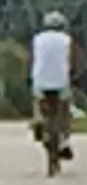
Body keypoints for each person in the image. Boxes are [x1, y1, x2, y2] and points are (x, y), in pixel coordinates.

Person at [31, 9, 73, 164]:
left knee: (37, 101)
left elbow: (32, 60)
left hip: (41, 81)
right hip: (61, 81)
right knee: (65, 109)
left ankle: (38, 121)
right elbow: (73, 60)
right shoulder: (67, 39)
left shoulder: (37, 39)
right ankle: (64, 142)